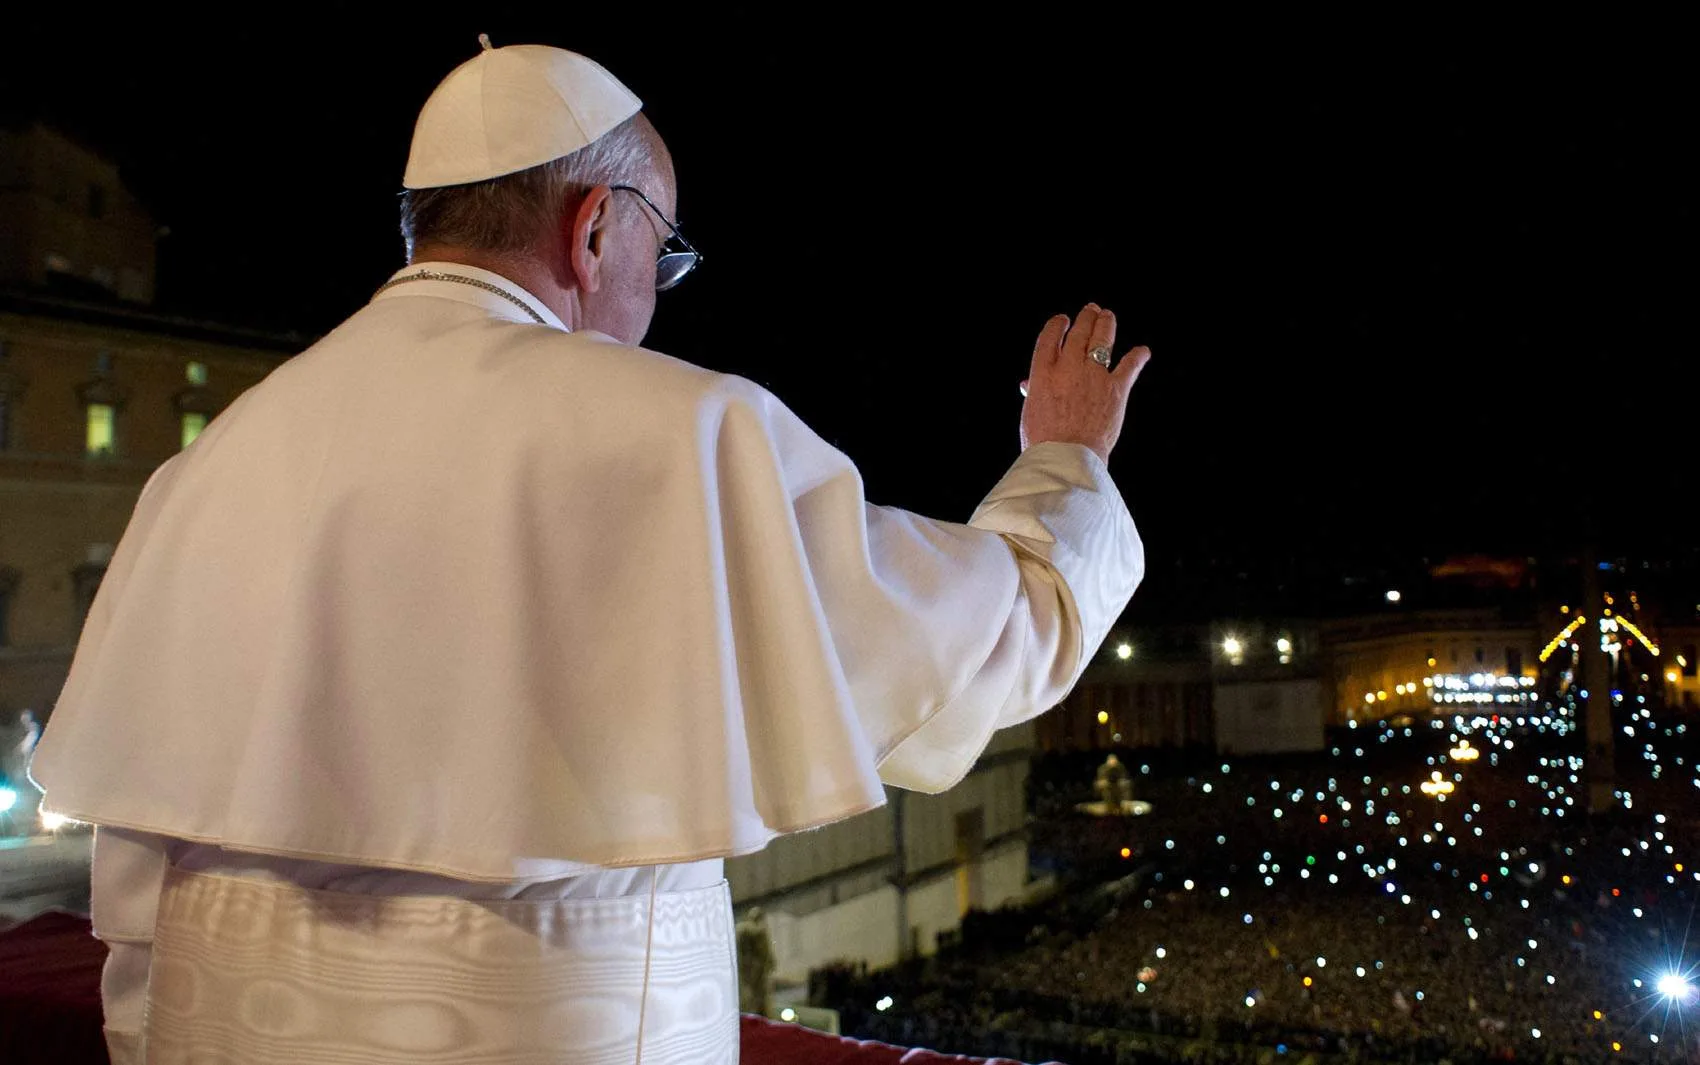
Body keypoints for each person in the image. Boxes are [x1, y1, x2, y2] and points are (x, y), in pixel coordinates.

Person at [29, 37, 1150, 1064]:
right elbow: (986, 640)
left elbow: (138, 900)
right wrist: (1064, 462)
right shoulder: (683, 433)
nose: (652, 300)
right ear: (595, 227)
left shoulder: (214, 458)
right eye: (660, 257)